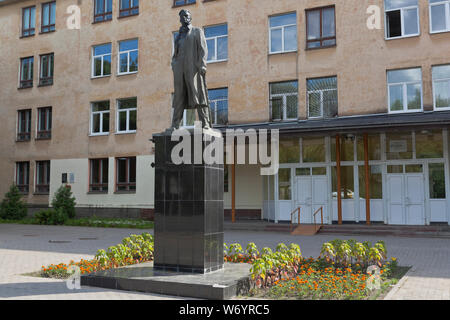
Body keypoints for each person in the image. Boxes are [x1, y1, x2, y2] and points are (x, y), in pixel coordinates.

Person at [171, 9, 212, 129]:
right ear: (179, 19)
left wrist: (203, 64)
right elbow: (176, 53)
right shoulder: (178, 36)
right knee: (179, 96)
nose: (185, 18)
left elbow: (203, 49)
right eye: (182, 16)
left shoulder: (197, 31)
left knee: (199, 95)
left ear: (190, 18)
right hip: (179, 70)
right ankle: (175, 125)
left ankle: (205, 124)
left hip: (193, 68)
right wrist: (174, 64)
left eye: (187, 16)